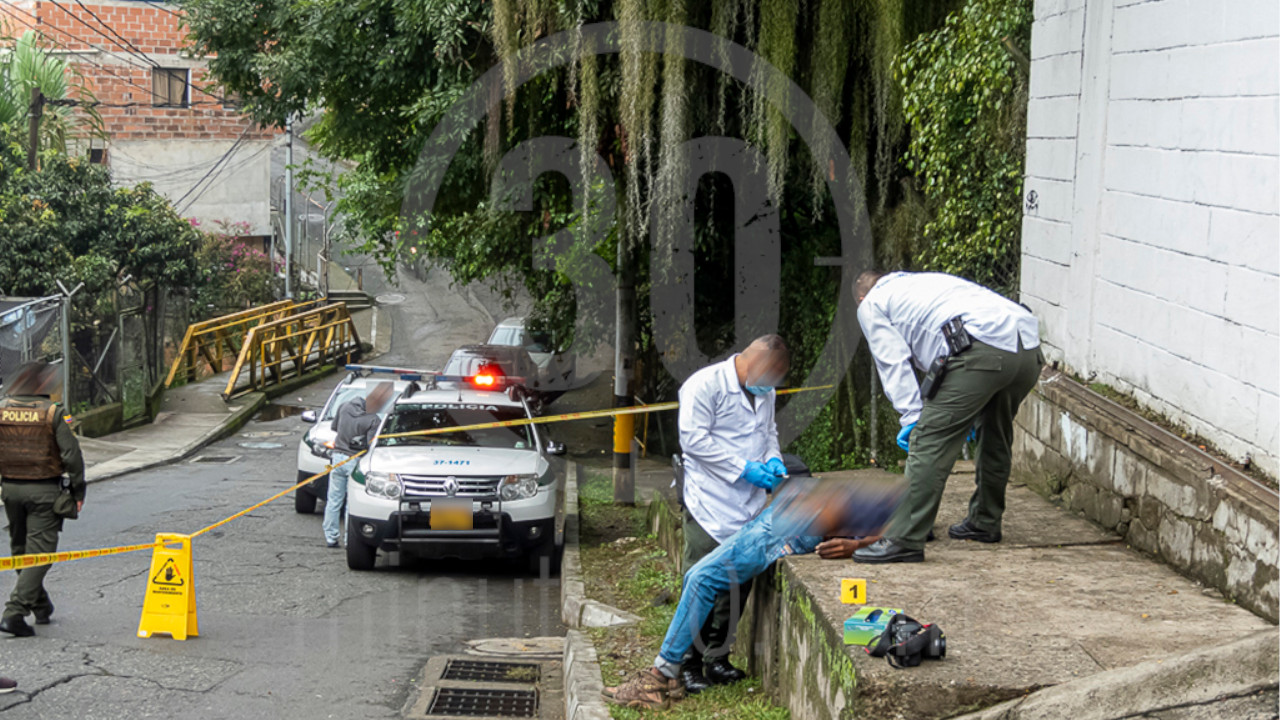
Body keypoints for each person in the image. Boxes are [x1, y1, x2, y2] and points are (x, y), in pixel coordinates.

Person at [603, 476, 899, 709]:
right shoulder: (907, 488)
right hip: (803, 505)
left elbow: (903, 532)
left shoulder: (904, 498)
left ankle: (659, 678)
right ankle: (666, 676)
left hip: (804, 518)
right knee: (696, 577)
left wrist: (856, 544)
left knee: (701, 580)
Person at [852, 270, 1043, 564]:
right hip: (1027, 350)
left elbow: (893, 362)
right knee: (995, 433)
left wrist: (912, 416)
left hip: (981, 350)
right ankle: (985, 521)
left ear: (862, 297)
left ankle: (904, 538)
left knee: (927, 441)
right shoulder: (922, 283)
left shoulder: (871, 304)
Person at [674, 334, 792, 693]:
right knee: (703, 580)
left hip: (749, 504)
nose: (772, 386)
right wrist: (743, 469)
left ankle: (718, 657)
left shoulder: (764, 391)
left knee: (739, 582)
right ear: (754, 364)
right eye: (771, 376)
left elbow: (768, 432)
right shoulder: (704, 386)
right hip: (709, 501)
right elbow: (693, 440)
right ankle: (687, 663)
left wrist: (773, 459)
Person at [0, 362, 85, 637]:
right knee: (40, 554)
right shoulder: (54, 413)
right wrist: (78, 490)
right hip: (44, 491)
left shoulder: (2, 409)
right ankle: (14, 612)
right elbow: (71, 454)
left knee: (20, 550)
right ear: (40, 384)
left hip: (10, 489)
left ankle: (40, 604)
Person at [324, 382, 394, 548]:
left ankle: (331, 536)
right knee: (352, 504)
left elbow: (334, 428)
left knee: (333, 500)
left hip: (337, 458)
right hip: (355, 462)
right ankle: (349, 540)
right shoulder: (373, 420)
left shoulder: (344, 406)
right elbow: (370, 446)